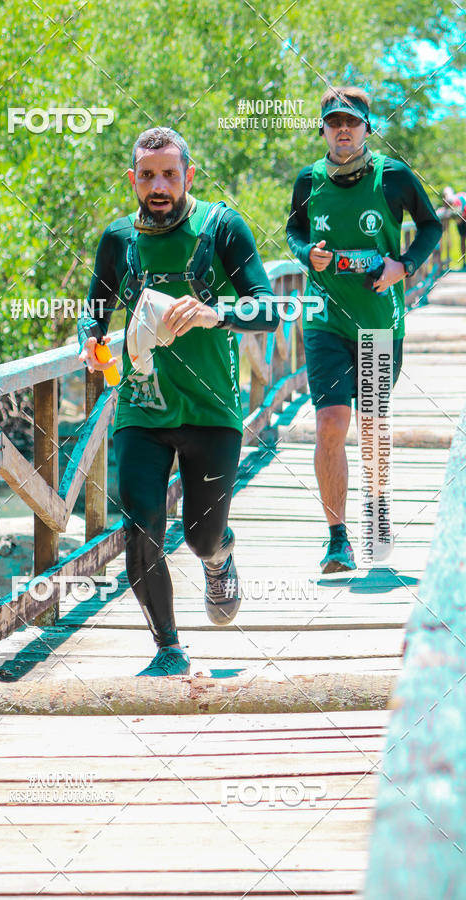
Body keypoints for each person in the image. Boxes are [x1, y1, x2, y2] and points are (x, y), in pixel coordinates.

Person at [78, 126, 279, 676]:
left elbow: (269, 309)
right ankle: (167, 647)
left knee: (198, 533)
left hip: (213, 413)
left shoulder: (221, 228)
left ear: (188, 175)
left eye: (169, 174)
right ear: (133, 180)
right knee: (140, 525)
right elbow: (93, 311)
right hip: (142, 409)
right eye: (147, 176)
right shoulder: (118, 239)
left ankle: (220, 555)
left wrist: (218, 313)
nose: (158, 186)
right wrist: (89, 344)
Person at [286, 86, 442, 573]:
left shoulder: (392, 176)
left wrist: (405, 265)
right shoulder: (307, 181)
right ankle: (338, 539)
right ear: (323, 129)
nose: (343, 130)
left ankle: (377, 513)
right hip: (324, 319)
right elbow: (294, 231)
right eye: (334, 122)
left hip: (378, 323)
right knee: (332, 423)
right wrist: (303, 254)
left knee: (372, 426)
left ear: (367, 128)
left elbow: (432, 226)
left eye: (352, 122)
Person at [440, 186, 466, 265]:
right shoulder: (460, 196)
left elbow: (458, 220)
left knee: (462, 239)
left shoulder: (454, 200)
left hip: (462, 219)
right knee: (462, 239)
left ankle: (464, 263)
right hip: (462, 219)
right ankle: (464, 263)